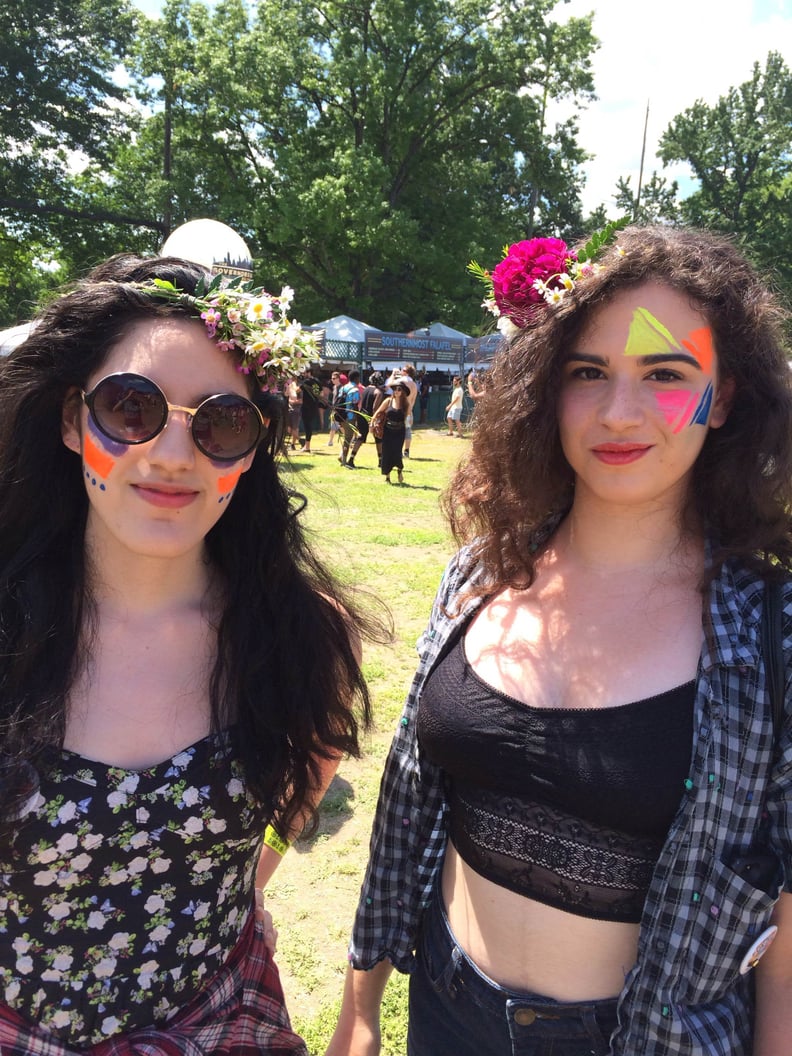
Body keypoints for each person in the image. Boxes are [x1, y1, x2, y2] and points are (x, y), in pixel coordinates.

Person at [327, 225, 792, 1056]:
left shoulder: (774, 629)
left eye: (665, 373)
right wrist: (362, 1012)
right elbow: (406, 800)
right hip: (442, 1008)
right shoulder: (479, 572)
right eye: (589, 373)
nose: (620, 413)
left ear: (722, 398)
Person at [0, 254, 376, 1055]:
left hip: (223, 1021)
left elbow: (309, 772)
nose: (173, 455)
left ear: (254, 447)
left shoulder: (300, 637)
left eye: (220, 423)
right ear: (71, 421)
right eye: (131, 409)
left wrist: (237, 891)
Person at [370, 383, 409, 485]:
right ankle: (387, 477)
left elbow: (407, 418)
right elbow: (377, 412)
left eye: (399, 389)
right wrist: (372, 424)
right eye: (395, 389)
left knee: (397, 452)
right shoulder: (388, 401)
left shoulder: (405, 404)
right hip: (388, 430)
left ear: (403, 392)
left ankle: (399, 470)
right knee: (386, 452)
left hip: (400, 431)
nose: (396, 391)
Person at [297, 363, 326, 454]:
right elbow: (321, 394)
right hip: (314, 406)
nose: (303, 374)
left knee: (307, 427)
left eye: (305, 372)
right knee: (308, 426)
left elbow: (297, 390)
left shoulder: (306, 382)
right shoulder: (317, 381)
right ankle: (307, 446)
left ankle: (307, 447)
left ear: (308, 372)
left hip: (306, 406)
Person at [338, 370, 362, 468]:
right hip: (350, 416)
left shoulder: (343, 388)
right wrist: (357, 417)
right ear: (356, 379)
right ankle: (344, 461)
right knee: (348, 439)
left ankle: (342, 458)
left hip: (341, 416)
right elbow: (355, 403)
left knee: (346, 439)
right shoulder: (354, 390)